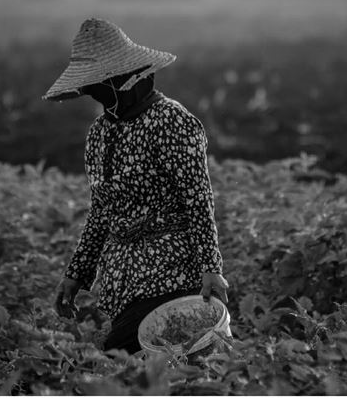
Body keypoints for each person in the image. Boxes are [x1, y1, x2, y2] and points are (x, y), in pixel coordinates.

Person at [43, 18, 229, 354]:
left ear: (127, 79)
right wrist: (76, 274)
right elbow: (101, 211)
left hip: (170, 270)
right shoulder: (101, 132)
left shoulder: (172, 121)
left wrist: (210, 269)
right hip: (121, 280)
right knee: (150, 368)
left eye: (101, 84)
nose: (95, 93)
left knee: (120, 361)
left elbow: (198, 200)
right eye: (91, 86)